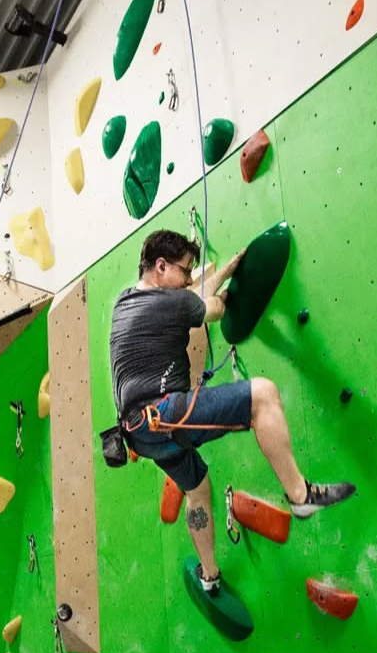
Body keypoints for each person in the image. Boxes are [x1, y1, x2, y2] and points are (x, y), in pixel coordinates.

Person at [110, 229, 356, 595]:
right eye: (185, 270)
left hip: (141, 434)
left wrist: (223, 272)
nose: (190, 279)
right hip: (163, 414)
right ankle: (300, 495)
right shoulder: (169, 303)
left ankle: (210, 576)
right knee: (263, 395)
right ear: (161, 267)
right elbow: (214, 309)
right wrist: (225, 294)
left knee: (197, 490)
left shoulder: (126, 302)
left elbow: (189, 298)